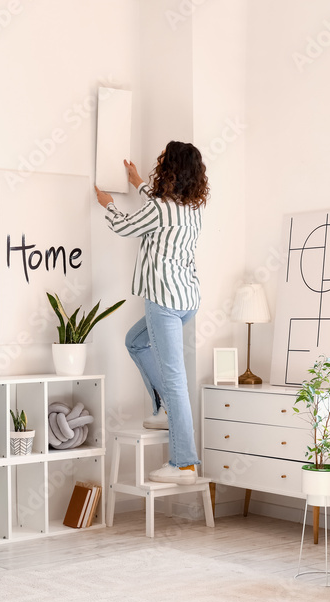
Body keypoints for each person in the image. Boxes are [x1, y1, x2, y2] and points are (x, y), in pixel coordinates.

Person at [94, 141, 209, 485]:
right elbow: (158, 210)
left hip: (163, 302)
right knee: (135, 341)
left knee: (176, 382)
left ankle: (184, 463)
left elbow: (125, 226)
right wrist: (137, 183)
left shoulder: (159, 209)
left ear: (169, 169)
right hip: (187, 300)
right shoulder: (193, 209)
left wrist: (109, 204)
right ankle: (164, 408)